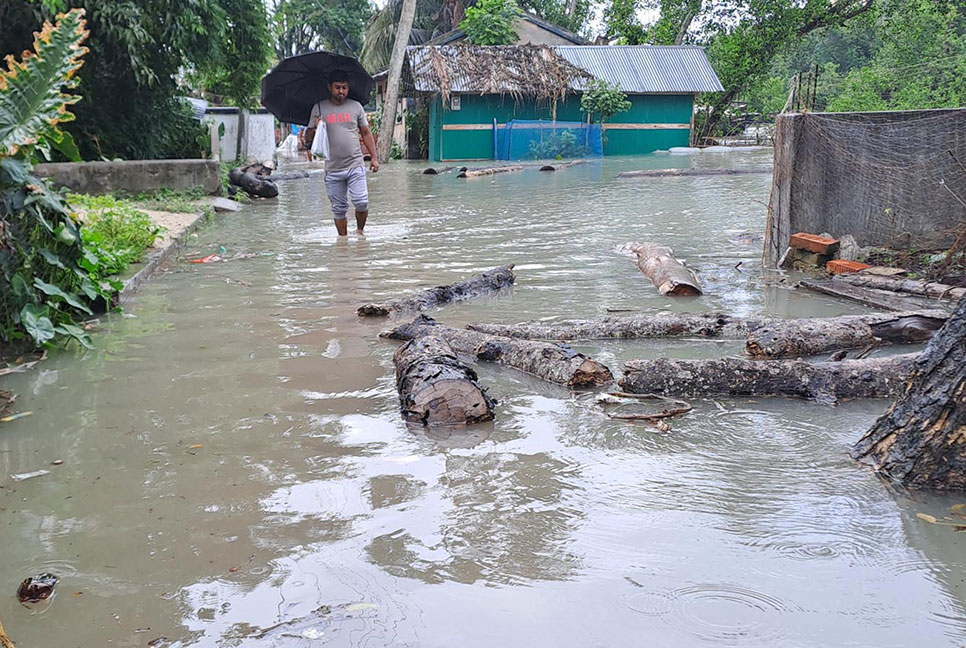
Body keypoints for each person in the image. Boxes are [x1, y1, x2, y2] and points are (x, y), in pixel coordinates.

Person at [309, 70, 379, 236]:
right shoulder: (319, 108)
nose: (341, 91)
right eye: (337, 87)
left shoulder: (356, 106)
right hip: (332, 168)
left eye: (344, 88)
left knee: (361, 202)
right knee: (339, 209)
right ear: (329, 87)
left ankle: (360, 233)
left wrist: (374, 158)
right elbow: (309, 136)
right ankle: (343, 240)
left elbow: (366, 133)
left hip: (355, 164)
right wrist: (317, 125)